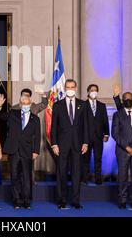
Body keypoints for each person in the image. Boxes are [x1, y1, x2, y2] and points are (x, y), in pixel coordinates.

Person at [0, 93, 41, 209]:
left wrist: (36, 151)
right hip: (14, 150)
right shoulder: (13, 114)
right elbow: (0, 116)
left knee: (27, 176)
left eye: (28, 104)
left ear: (30, 105)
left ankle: (26, 200)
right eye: (24, 103)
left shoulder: (35, 119)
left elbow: (37, 136)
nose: (26, 105)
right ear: (20, 104)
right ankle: (16, 200)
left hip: (27, 151)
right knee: (15, 175)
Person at [50, 79, 89, 209]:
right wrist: (54, 144)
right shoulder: (57, 105)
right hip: (62, 145)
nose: (70, 88)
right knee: (61, 173)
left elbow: (85, 126)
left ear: (76, 88)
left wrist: (85, 142)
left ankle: (76, 200)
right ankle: (62, 200)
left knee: (76, 173)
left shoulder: (83, 104)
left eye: (72, 86)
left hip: (78, 145)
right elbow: (53, 127)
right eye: (68, 87)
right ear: (65, 88)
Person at [81, 84, 110, 185]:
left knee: (98, 158)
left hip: (98, 136)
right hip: (85, 137)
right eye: (92, 90)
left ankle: (98, 178)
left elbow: (105, 120)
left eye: (95, 90)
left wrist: (106, 134)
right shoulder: (82, 105)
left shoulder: (102, 105)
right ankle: (84, 178)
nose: (94, 92)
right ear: (88, 92)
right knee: (85, 159)